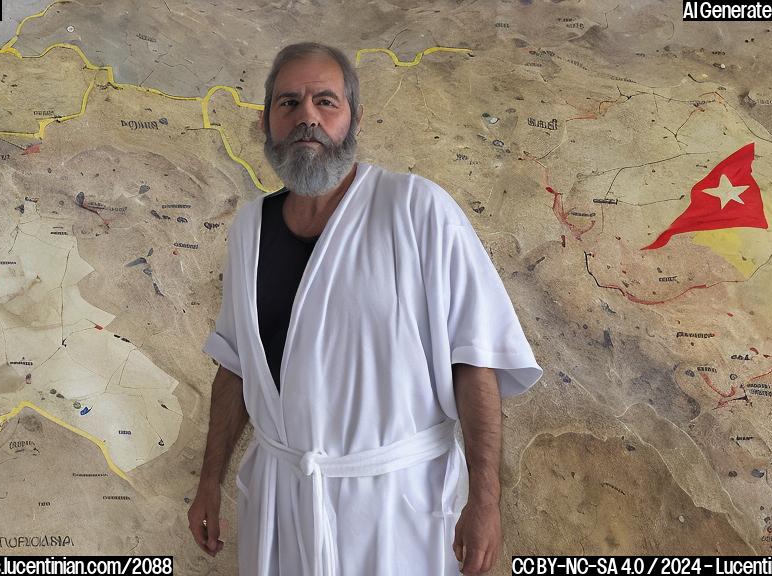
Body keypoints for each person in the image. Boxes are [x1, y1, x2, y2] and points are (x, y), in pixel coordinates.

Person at [188, 42, 542, 576]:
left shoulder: (416, 209)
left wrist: (486, 502)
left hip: (396, 509)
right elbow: (237, 366)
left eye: (325, 101)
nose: (306, 116)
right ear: (266, 122)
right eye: (288, 103)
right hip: (282, 504)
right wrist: (209, 480)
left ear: (354, 118)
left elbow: (474, 361)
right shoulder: (248, 229)